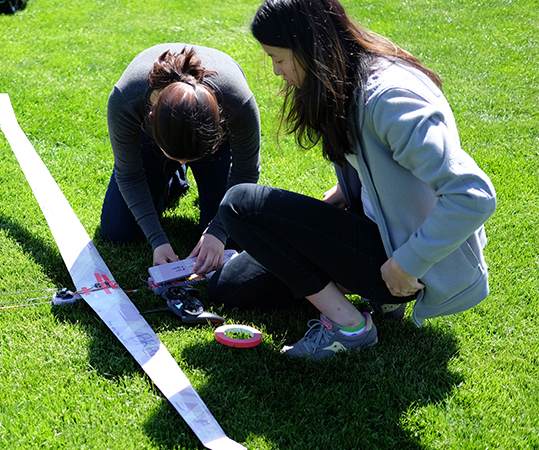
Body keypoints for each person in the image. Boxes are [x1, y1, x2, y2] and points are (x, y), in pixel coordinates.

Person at [209, 0, 496, 360]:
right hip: (380, 235)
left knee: (240, 205)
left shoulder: (389, 99)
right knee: (229, 288)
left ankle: (350, 327)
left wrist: (407, 263)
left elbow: (473, 195)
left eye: (278, 58)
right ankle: (375, 297)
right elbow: (378, 173)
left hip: (405, 262)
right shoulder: (348, 75)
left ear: (309, 48)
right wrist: (325, 209)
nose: (277, 71)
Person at [100, 44, 261, 275]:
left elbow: (246, 172)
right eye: (178, 158)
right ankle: (172, 178)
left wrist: (218, 230)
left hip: (209, 141)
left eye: (188, 159)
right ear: (152, 118)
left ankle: (187, 167)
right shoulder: (126, 98)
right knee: (119, 231)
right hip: (162, 137)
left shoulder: (237, 101)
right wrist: (157, 240)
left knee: (234, 239)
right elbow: (129, 173)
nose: (184, 161)